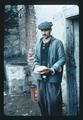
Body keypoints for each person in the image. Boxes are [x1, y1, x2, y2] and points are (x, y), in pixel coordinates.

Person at [33, 21, 66, 116]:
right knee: (41, 101)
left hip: (52, 77)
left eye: (46, 30)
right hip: (40, 77)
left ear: (50, 30)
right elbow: (35, 58)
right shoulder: (38, 43)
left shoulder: (57, 43)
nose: (44, 32)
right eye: (42, 30)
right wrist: (36, 66)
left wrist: (52, 69)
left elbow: (62, 59)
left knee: (54, 102)